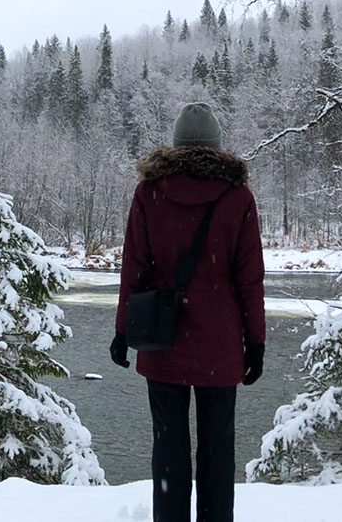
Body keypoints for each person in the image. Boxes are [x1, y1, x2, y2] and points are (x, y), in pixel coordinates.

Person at [110, 102, 265, 522]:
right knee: (218, 450)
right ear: (217, 145)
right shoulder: (237, 197)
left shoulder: (150, 193)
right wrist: (257, 342)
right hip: (219, 348)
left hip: (163, 343)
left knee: (169, 449)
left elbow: (134, 270)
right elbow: (249, 279)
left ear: (176, 144)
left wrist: (124, 331)